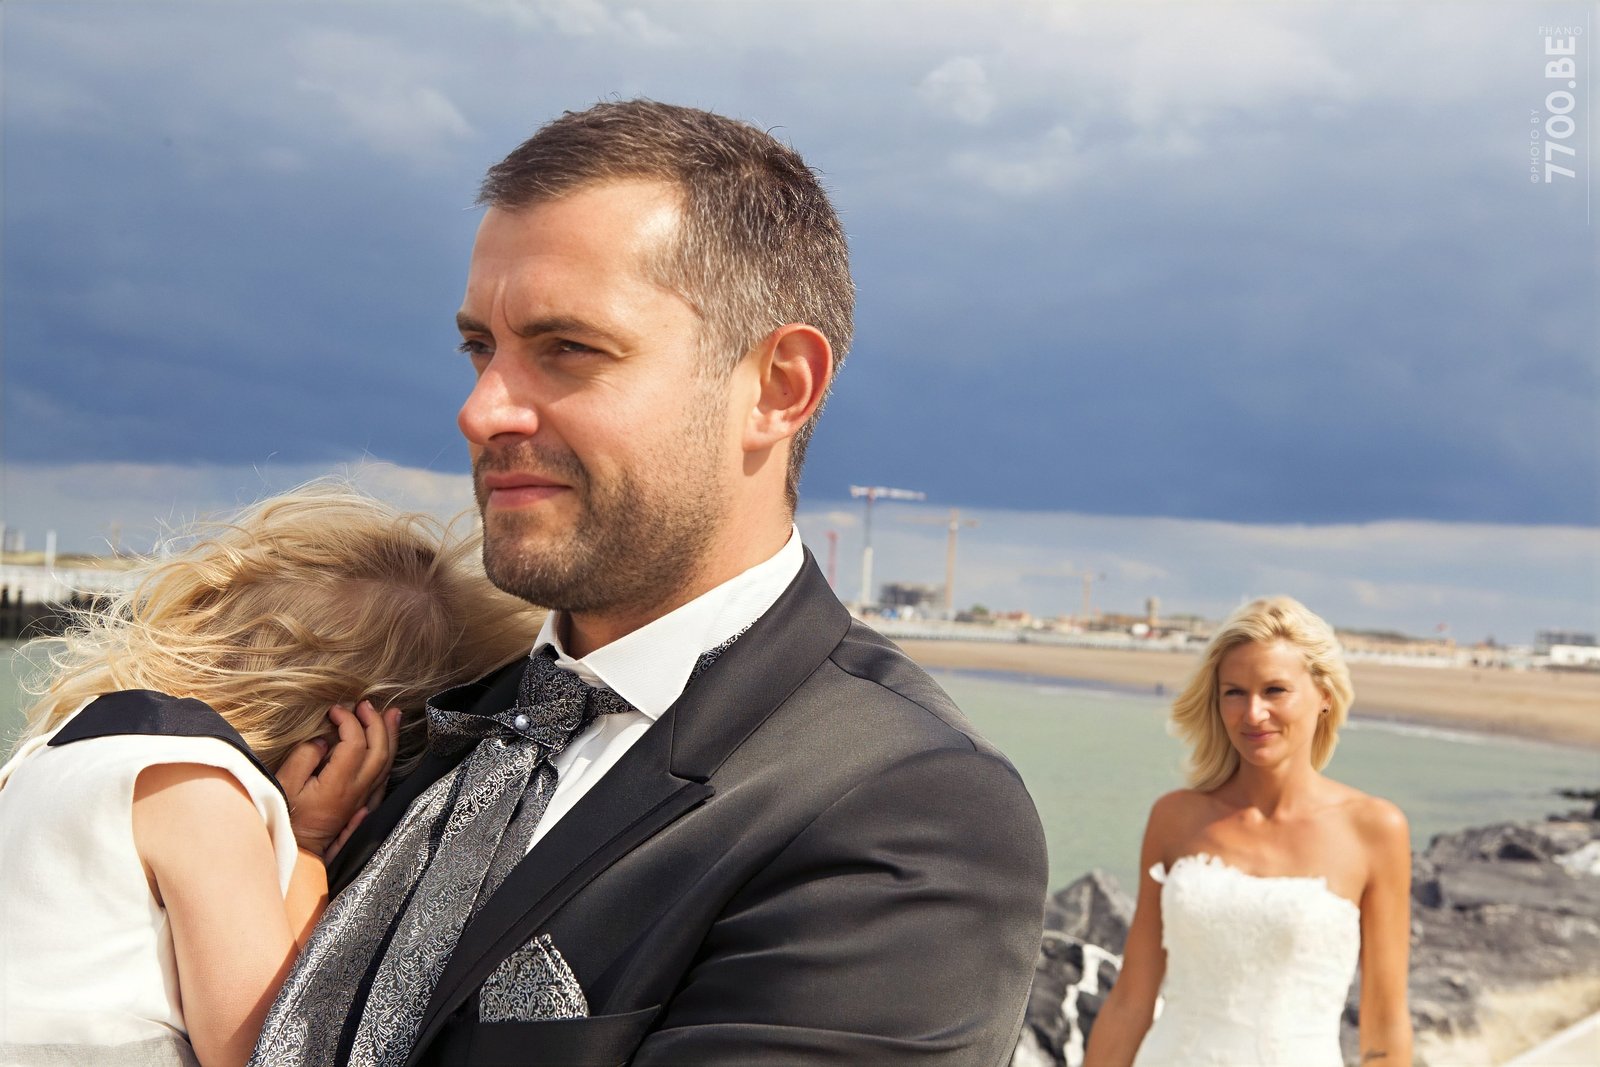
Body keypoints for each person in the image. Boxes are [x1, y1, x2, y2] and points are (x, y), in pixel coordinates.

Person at [254, 99, 1049, 1067]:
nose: (479, 409)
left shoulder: (905, 809)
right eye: (480, 349)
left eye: (568, 349)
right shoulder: (431, 720)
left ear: (777, 385)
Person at [0, 486, 542, 1067]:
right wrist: (306, 849)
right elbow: (265, 1046)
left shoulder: (45, 758)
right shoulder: (201, 791)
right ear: (344, 741)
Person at [1084, 596, 1413, 1067]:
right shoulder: (1175, 818)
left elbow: (1384, 1020)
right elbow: (1131, 999)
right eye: (1234, 692)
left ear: (1323, 695)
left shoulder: (1375, 830)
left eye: (1275, 690)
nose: (1253, 714)